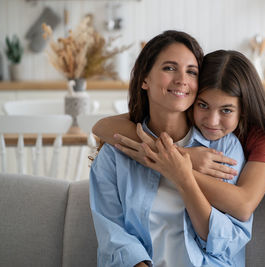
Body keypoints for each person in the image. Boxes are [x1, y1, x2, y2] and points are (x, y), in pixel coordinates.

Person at [90, 30, 251, 267]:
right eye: (169, 68)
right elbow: (113, 238)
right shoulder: (114, 154)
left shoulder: (224, 148)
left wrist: (183, 175)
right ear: (145, 79)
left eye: (191, 72)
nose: (181, 79)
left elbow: (225, 242)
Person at [93, 49, 265, 223]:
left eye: (226, 110)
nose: (212, 121)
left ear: (243, 109)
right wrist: (185, 154)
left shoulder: (261, 139)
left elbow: (242, 206)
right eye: (203, 105)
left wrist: (173, 165)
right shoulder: (187, 114)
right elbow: (102, 126)